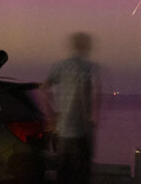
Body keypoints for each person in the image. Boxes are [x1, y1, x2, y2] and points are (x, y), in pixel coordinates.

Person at [43, 32, 101, 184]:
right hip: (82, 131)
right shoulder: (90, 68)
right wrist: (94, 119)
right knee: (81, 175)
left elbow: (43, 90)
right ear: (85, 46)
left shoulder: (61, 66)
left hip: (63, 131)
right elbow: (96, 96)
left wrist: (52, 117)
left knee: (63, 174)